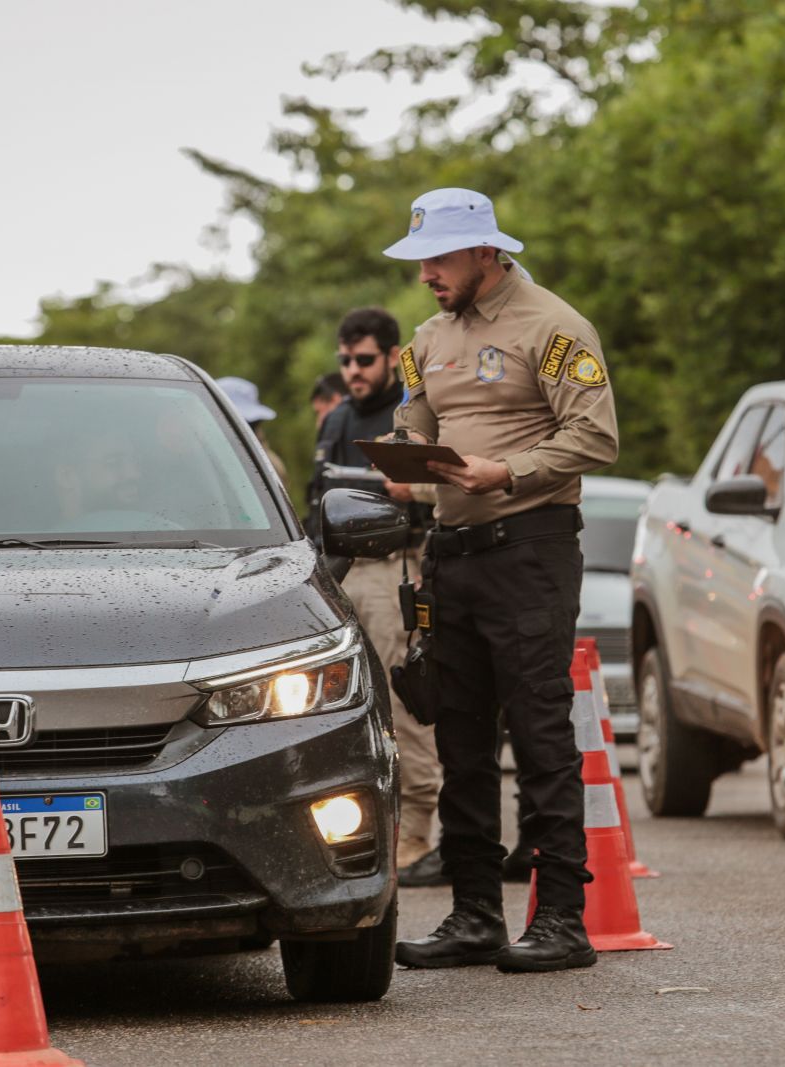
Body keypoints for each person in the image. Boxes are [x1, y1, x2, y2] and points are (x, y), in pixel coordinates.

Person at [386, 188, 618, 974]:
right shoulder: (426, 338)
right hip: (453, 554)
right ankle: (475, 912)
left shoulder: (554, 325)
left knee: (542, 731)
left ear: (486, 250)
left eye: (441, 258)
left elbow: (597, 434)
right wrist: (401, 459)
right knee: (461, 737)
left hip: (530, 549)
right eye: (421, 259)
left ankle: (560, 917)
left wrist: (508, 471)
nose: (427, 274)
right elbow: (416, 423)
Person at [308, 308, 446, 885]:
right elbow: (317, 499)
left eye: (364, 360)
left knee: (404, 699)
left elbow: (443, 490)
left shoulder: (412, 414)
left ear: (392, 356)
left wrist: (410, 482)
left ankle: (416, 831)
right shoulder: (336, 418)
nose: (353, 370)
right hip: (340, 572)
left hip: (397, 567)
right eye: (345, 361)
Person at [219, 376, 287, 485]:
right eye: (241, 423)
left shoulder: (271, 465)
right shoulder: (201, 458)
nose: (248, 431)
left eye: (253, 424)